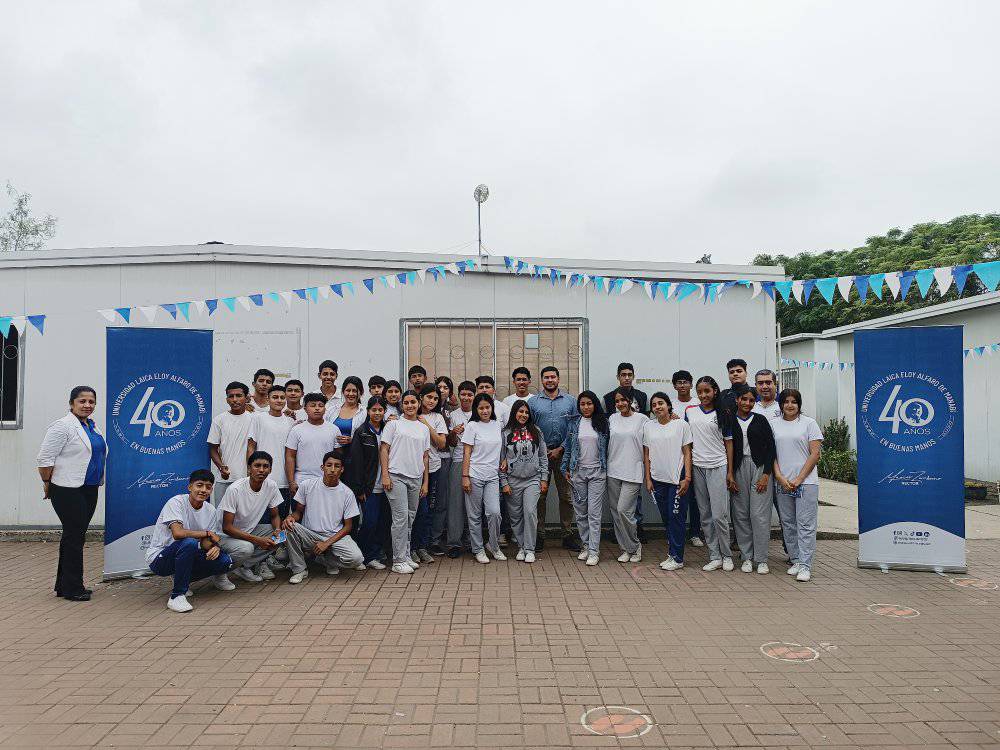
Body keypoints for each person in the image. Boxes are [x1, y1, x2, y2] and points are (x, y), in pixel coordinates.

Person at [36, 385, 108, 601]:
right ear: (71, 403)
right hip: (67, 488)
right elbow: (45, 458)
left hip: (89, 487)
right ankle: (73, 588)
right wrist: (47, 482)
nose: (87, 405)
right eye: (82, 401)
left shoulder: (92, 426)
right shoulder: (62, 426)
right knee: (74, 536)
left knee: (74, 535)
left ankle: (63, 584)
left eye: (91, 402)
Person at [146, 469, 234, 612]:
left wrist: (214, 547)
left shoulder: (210, 510)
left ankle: (181, 578)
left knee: (224, 561)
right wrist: (207, 533)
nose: (203, 490)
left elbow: (205, 542)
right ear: (190, 487)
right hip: (160, 558)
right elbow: (178, 533)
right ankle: (177, 596)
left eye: (208, 487)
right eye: (199, 485)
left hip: (187, 553)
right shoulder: (176, 502)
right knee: (189, 542)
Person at [281, 450, 365, 584]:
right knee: (288, 526)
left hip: (334, 536)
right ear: (322, 467)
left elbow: (348, 526)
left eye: (337, 466)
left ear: (342, 469)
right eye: (329, 465)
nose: (332, 469)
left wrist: (327, 543)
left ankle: (325, 560)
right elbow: (298, 512)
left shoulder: (347, 493)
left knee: (356, 559)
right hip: (310, 534)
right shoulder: (307, 485)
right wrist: (291, 517)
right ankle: (299, 570)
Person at [771, 388, 824, 583]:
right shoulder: (774, 424)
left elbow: (815, 454)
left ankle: (805, 565)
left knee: (806, 524)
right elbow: (771, 454)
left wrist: (799, 479)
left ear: (799, 404)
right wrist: (779, 477)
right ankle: (795, 559)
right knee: (788, 523)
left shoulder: (809, 423)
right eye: (786, 401)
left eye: (794, 401)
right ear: (781, 404)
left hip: (806, 483)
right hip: (783, 482)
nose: (790, 405)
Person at [685, 376, 736, 572]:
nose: (703, 395)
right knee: (705, 515)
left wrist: (730, 472)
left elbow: (729, 443)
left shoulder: (723, 412)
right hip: (698, 467)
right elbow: (686, 439)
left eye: (707, 391)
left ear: (715, 391)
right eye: (700, 392)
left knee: (719, 515)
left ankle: (727, 555)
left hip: (718, 466)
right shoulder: (690, 411)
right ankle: (714, 556)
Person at [529, 366, 580, 552]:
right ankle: (539, 535)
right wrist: (543, 450)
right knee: (539, 496)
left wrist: (561, 448)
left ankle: (567, 534)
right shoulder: (533, 402)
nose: (550, 380)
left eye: (553, 377)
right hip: (540, 455)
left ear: (558, 379)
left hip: (564, 455)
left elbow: (575, 427)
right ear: (542, 380)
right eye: (546, 377)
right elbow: (530, 428)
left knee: (566, 496)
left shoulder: (570, 401)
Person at [379, 390, 430, 574]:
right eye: (406, 402)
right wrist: (385, 475)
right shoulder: (393, 424)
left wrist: (425, 482)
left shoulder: (423, 428)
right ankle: (398, 560)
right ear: (401, 405)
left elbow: (425, 457)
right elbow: (384, 449)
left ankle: (406, 555)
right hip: (396, 476)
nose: (410, 405)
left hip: (416, 477)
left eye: (413, 402)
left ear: (419, 403)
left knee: (410, 518)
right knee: (400, 518)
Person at [729, 383, 777, 574]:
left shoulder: (761, 420)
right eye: (744, 399)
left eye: (751, 400)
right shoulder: (729, 420)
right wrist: (730, 474)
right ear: (737, 400)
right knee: (740, 515)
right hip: (738, 469)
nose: (747, 403)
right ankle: (746, 557)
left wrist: (766, 474)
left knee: (759, 515)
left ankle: (762, 559)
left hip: (759, 468)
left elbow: (771, 447)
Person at [643, 392, 693, 571]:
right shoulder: (649, 426)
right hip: (657, 479)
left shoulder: (681, 425)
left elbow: (687, 452)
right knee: (666, 518)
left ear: (668, 405)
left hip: (677, 479)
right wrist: (648, 479)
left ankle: (678, 558)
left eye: (661, 403)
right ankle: (672, 554)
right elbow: (646, 454)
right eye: (654, 404)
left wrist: (687, 478)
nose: (657, 407)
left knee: (676, 517)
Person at [218, 451, 283, 583]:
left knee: (281, 536)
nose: (261, 470)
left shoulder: (271, 486)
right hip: (222, 536)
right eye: (257, 466)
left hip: (247, 531)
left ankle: (243, 566)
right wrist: (257, 540)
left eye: (266, 466)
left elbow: (275, 515)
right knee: (247, 548)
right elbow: (227, 528)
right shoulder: (235, 489)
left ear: (270, 470)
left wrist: (277, 529)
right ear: (249, 468)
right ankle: (220, 571)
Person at [562, 391, 609, 566]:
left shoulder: (604, 422)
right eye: (582, 404)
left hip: (597, 472)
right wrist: (565, 467)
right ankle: (586, 546)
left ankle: (594, 551)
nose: (586, 407)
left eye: (589, 403)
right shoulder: (574, 423)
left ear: (595, 404)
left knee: (594, 514)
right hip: (578, 472)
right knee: (581, 512)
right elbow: (568, 447)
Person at [499, 400, 548, 563]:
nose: (524, 415)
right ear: (514, 412)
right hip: (513, 480)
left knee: (530, 512)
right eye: (521, 411)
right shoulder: (505, 433)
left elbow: (543, 456)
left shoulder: (536, 431)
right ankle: (521, 546)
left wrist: (544, 478)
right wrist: (504, 482)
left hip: (532, 479)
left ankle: (530, 549)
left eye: (526, 412)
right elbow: (501, 459)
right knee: (515, 517)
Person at [346, 396, 388, 569]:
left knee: (381, 522)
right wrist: (359, 489)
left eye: (380, 410)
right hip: (369, 487)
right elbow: (356, 462)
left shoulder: (389, 429)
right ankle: (364, 556)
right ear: (368, 411)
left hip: (387, 485)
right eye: (374, 410)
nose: (377, 413)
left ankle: (375, 554)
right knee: (369, 522)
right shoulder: (361, 432)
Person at [462, 393, 505, 564]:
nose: (485, 411)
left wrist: (504, 460)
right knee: (474, 515)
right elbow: (467, 452)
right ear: (476, 409)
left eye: (487, 407)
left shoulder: (497, 425)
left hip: (493, 476)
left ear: (492, 408)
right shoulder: (472, 426)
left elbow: (501, 448)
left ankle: (493, 546)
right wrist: (465, 476)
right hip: (474, 475)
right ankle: (478, 549)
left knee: (494, 513)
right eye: (481, 408)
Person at [607, 387, 649, 563]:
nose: (620, 404)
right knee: (616, 513)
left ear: (630, 401)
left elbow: (649, 445)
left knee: (624, 511)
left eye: (623, 400)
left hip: (633, 471)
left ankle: (634, 546)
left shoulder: (642, 419)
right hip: (613, 470)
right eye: (617, 401)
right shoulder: (612, 418)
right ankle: (624, 548)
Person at [412, 384, 448, 563]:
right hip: (412, 469)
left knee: (428, 510)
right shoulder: (411, 413)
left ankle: (423, 546)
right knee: (415, 510)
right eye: (429, 397)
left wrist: (425, 424)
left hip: (432, 468)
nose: (432, 401)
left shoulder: (437, 417)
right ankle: (412, 547)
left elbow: (441, 443)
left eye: (435, 398)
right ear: (421, 398)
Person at [248, 385, 295, 515]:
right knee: (260, 518)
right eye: (275, 397)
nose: (279, 400)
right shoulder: (258, 418)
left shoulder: (290, 422)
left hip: (283, 481)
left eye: (282, 397)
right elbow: (251, 446)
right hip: (262, 478)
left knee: (281, 518)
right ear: (268, 400)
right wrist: (250, 471)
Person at [284, 393, 341, 498]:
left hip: (327, 481)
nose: (317, 408)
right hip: (301, 481)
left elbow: (339, 457)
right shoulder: (297, 430)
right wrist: (291, 482)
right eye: (313, 405)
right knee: (299, 509)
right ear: (305, 409)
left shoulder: (334, 429)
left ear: (325, 409)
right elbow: (290, 456)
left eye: (320, 405)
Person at [207, 381, 255, 502]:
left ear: (246, 398)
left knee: (245, 513)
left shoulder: (254, 419)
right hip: (224, 479)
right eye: (231, 396)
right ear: (227, 399)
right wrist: (221, 467)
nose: (234, 399)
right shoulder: (219, 420)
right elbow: (213, 449)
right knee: (222, 513)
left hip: (248, 480)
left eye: (239, 395)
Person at [444, 381, 476, 558]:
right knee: (455, 503)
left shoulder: (479, 413)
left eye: (469, 394)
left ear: (474, 396)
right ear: (458, 395)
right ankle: (454, 543)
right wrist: (453, 433)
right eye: (463, 394)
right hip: (457, 461)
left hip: (477, 463)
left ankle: (473, 542)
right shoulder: (453, 415)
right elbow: (450, 443)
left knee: (474, 504)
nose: (466, 397)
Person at [672, 369, 703, 548]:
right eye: (679, 382)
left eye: (685, 382)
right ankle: (678, 532)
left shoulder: (698, 403)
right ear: (674, 385)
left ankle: (695, 533)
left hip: (697, 454)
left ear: (691, 384)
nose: (682, 385)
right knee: (679, 496)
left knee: (696, 497)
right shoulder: (670, 404)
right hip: (676, 456)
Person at [330, 375, 365, 446]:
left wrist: (354, 440)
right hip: (332, 451)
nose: (351, 394)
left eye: (354, 391)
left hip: (355, 451)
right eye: (348, 390)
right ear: (343, 391)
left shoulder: (365, 412)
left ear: (361, 393)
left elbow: (369, 437)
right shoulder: (332, 410)